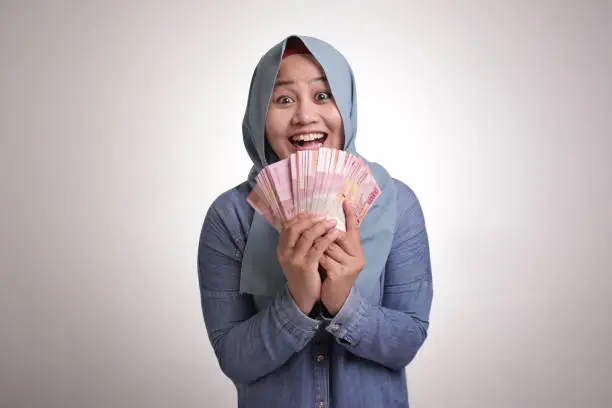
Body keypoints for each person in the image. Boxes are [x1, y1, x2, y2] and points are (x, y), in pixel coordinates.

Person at [197, 34, 433, 408]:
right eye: (284, 99)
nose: (305, 116)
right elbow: (234, 359)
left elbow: (406, 342)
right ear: (259, 112)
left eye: (323, 96)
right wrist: (297, 301)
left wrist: (344, 305)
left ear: (347, 106)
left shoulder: (396, 204)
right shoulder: (230, 217)